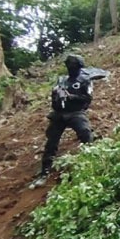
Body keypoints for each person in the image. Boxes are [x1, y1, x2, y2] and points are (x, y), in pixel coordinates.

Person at [30, 54, 93, 188]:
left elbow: (87, 98)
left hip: (76, 112)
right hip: (59, 113)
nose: (72, 68)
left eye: (74, 66)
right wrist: (56, 94)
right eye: (70, 66)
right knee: (51, 142)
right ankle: (45, 172)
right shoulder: (62, 80)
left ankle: (92, 160)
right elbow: (54, 100)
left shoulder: (84, 80)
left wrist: (71, 97)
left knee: (85, 132)